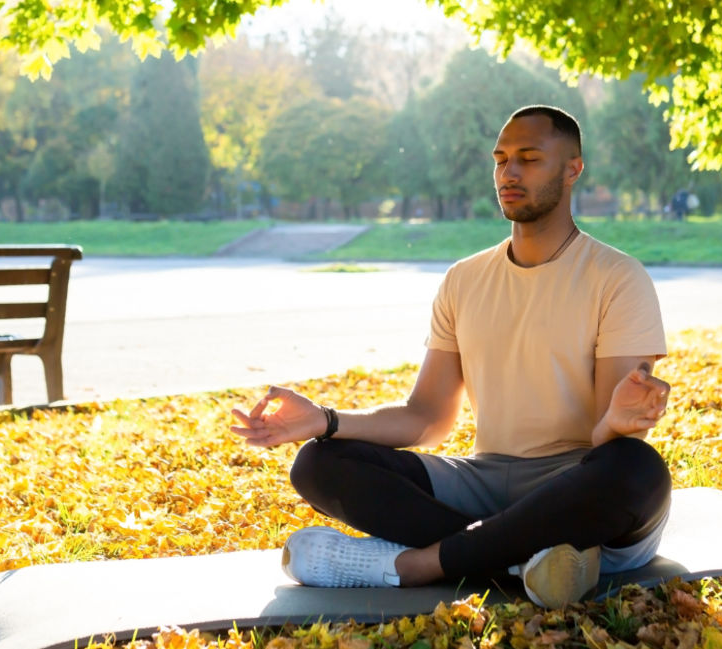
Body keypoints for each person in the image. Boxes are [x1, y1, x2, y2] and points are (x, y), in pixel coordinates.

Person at [231, 105, 673, 608]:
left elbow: (606, 443)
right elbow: (426, 418)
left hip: (574, 484)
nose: (509, 172)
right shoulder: (465, 279)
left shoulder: (618, 278)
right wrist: (325, 420)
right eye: (501, 159)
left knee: (636, 468)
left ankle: (414, 565)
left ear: (573, 169)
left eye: (529, 158)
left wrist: (618, 421)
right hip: (484, 482)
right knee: (320, 461)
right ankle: (528, 560)